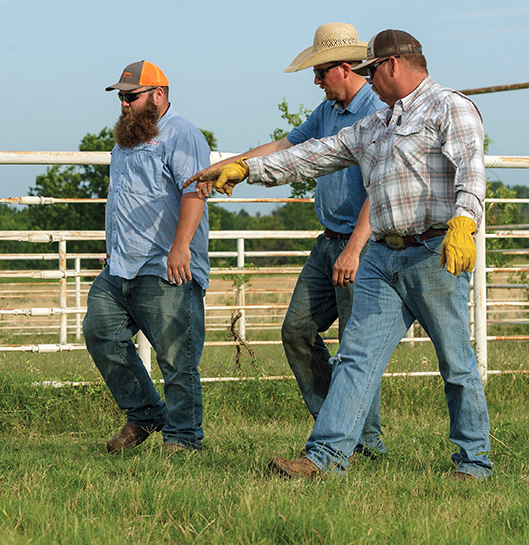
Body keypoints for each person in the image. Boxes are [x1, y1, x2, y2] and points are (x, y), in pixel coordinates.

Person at [197, 29, 492, 479]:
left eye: (371, 71)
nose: (368, 80)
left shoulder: (450, 107)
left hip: (434, 252)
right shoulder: (376, 124)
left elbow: (471, 167)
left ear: (392, 64)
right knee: (355, 357)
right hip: (382, 255)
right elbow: (315, 155)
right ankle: (326, 458)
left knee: (456, 362)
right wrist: (248, 169)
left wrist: (465, 221)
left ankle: (473, 462)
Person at [188, 23, 386, 456]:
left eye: (320, 72)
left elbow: (381, 187)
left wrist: (354, 247)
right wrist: (228, 165)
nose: (316, 81)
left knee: (355, 351)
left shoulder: (378, 112)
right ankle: (338, 427)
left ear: (346, 67)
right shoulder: (328, 111)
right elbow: (285, 144)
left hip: (363, 244)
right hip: (329, 240)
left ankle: (363, 444)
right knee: (296, 331)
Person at [84, 60, 211, 454]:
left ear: (158, 95)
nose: (124, 104)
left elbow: (195, 192)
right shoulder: (125, 141)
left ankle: (184, 437)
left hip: (165, 263)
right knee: (100, 332)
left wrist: (180, 248)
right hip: (121, 263)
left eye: (131, 96)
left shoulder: (183, 135)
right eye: (121, 97)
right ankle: (145, 413)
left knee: (176, 354)